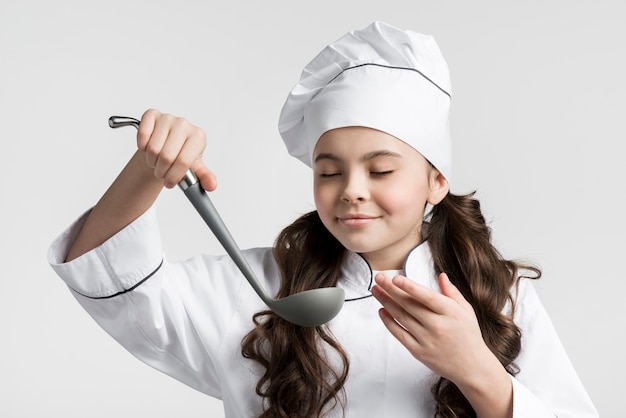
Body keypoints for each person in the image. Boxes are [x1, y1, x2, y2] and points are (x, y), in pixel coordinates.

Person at [48, 21, 597, 418]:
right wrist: (150, 168)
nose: (352, 191)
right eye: (329, 171)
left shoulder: (501, 297)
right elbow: (113, 282)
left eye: (381, 169)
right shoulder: (258, 288)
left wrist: (475, 368)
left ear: (436, 181)